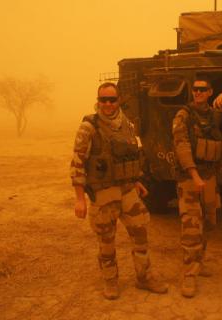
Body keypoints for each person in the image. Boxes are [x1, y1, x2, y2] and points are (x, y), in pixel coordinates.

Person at [71, 82, 168, 300]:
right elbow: (77, 163)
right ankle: (110, 281)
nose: (107, 104)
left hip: (127, 191)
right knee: (106, 241)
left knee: (140, 234)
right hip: (104, 193)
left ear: (119, 100)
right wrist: (80, 199)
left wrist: (135, 181)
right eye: (103, 99)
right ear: (98, 100)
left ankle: (144, 277)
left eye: (111, 99)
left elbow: (130, 157)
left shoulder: (127, 124)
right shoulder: (89, 127)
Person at [172, 77, 222, 298]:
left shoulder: (213, 115)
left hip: (209, 177)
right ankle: (189, 275)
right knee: (192, 227)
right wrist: (194, 175)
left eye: (203, 89)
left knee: (210, 222)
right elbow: (181, 146)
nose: (198, 92)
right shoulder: (183, 116)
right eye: (195, 89)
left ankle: (199, 262)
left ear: (210, 92)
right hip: (190, 179)